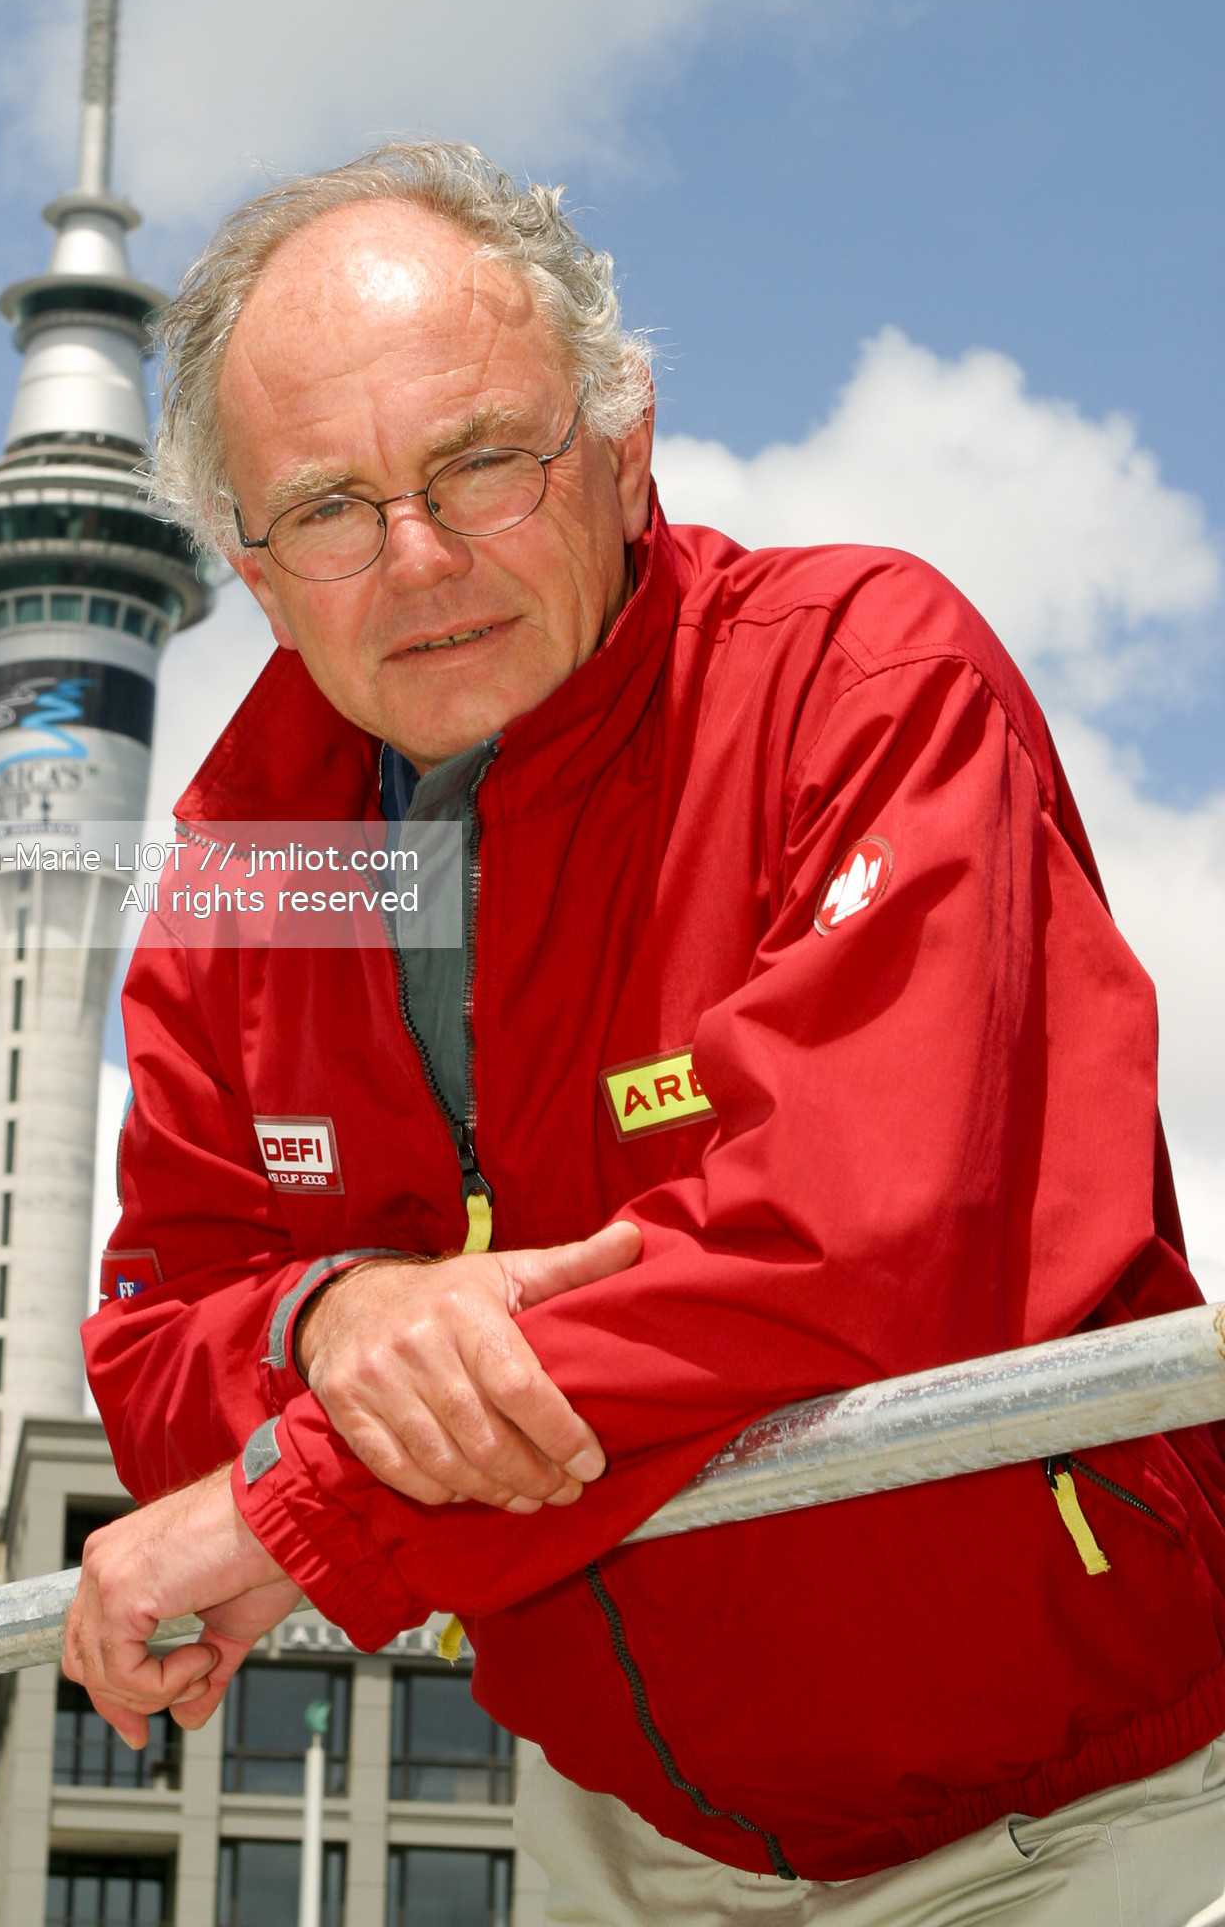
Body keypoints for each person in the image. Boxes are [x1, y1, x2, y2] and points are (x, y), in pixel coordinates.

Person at [63, 142, 1225, 1922]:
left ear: (622, 449)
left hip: (1095, 1810)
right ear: (253, 565)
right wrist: (335, 1312)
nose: (418, 557)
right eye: (328, 508)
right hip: (634, 1848)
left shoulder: (862, 681)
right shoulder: (247, 868)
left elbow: (854, 1255)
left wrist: (301, 1514)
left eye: (482, 462)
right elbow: (155, 1351)